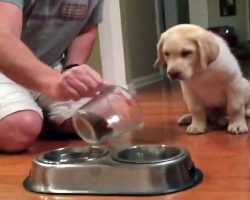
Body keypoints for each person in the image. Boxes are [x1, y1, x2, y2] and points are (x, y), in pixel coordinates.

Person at [0, 0, 107, 152]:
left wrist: (72, 69)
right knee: (21, 127)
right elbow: (3, 38)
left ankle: (39, 114)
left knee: (98, 118)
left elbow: (86, 30)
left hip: (50, 67)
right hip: (3, 68)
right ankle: (30, 114)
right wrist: (54, 81)